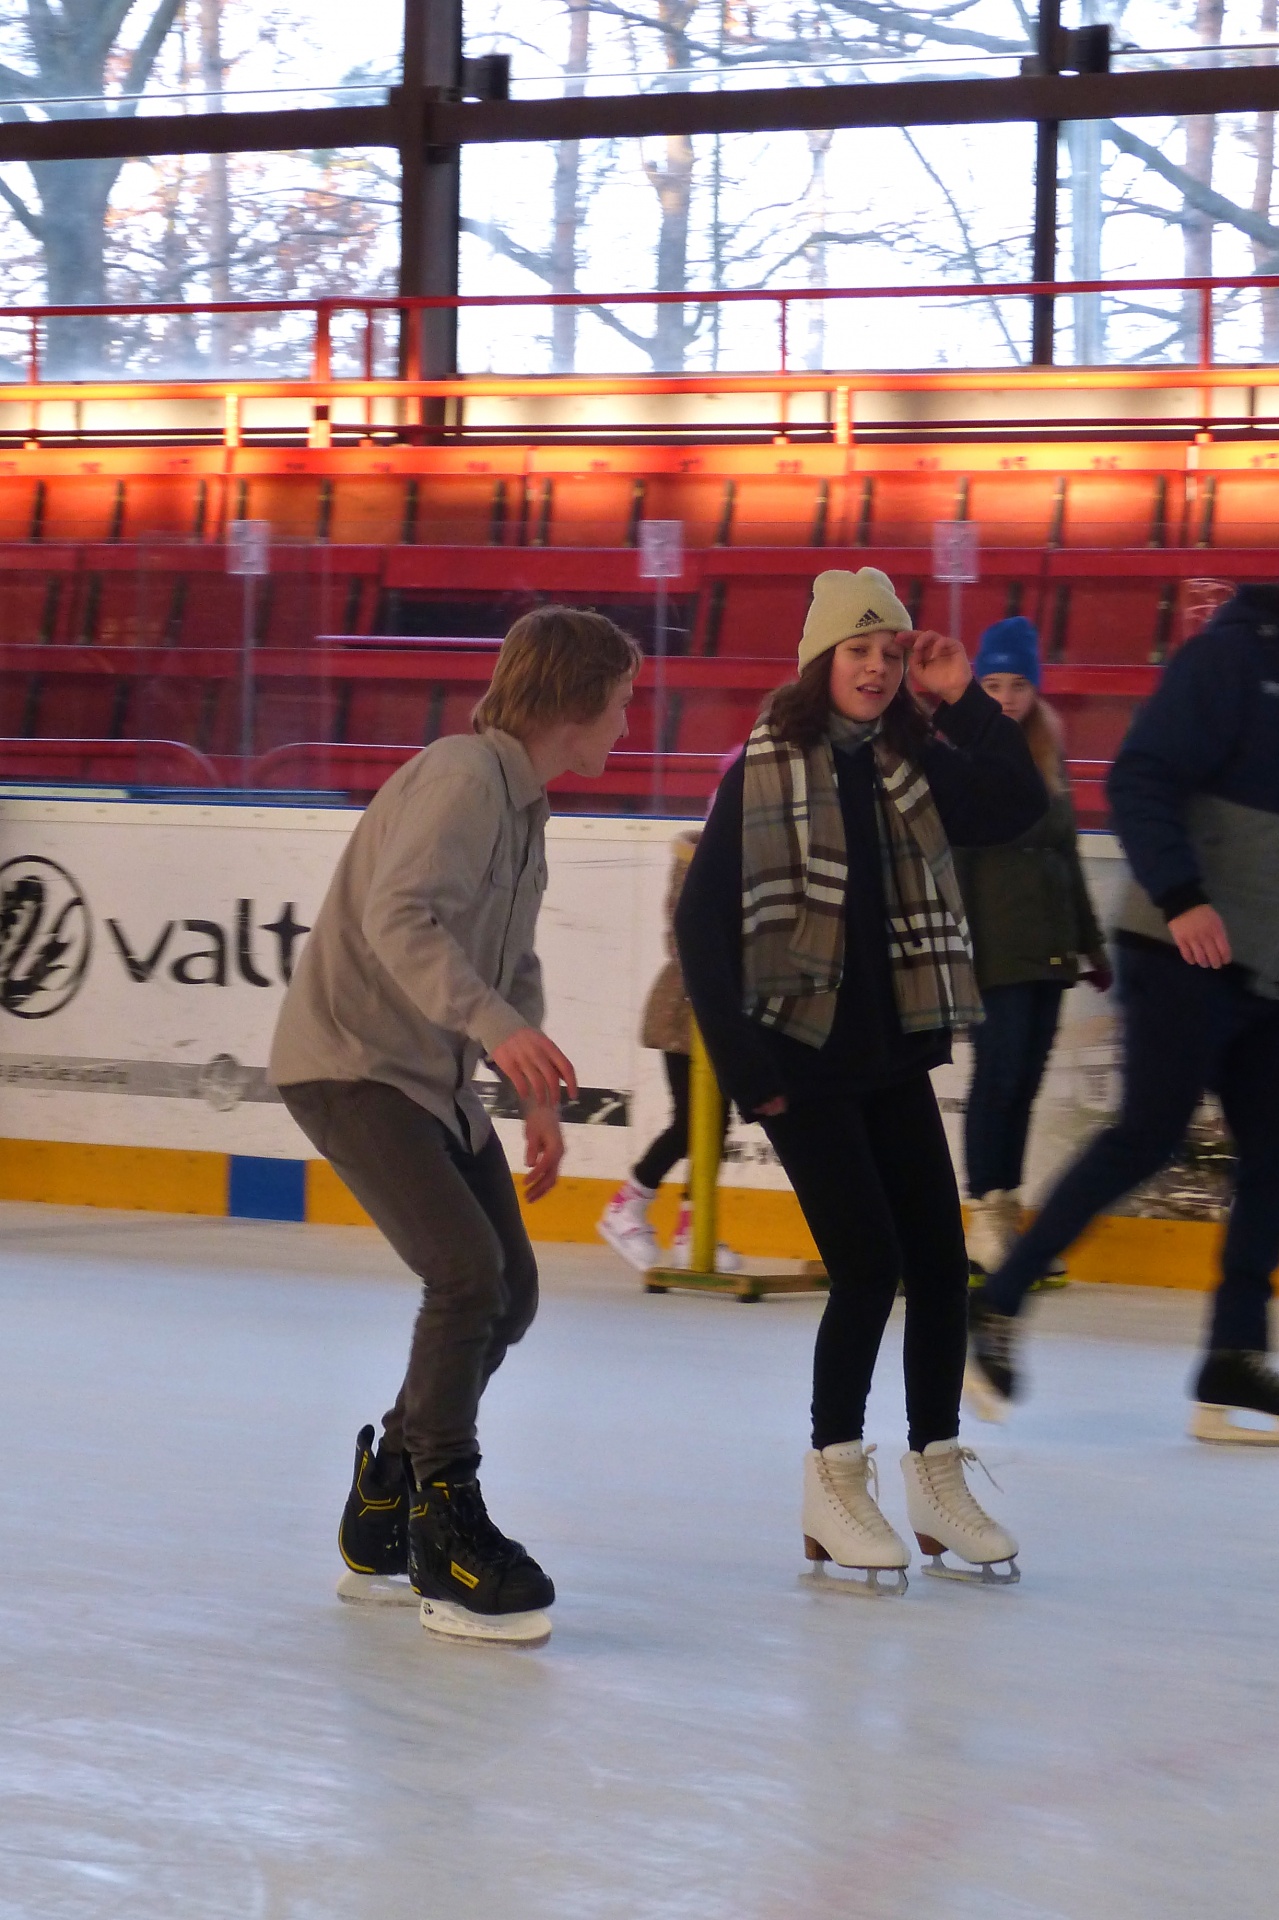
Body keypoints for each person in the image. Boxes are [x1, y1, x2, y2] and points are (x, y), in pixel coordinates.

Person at [270, 606, 641, 1644]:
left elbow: (510, 959)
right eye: (619, 702)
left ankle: (386, 1494)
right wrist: (494, 1027)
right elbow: (398, 915)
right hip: (352, 1064)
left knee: (509, 1292)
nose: (627, 723)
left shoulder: (522, 806)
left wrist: (531, 1089)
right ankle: (443, 1521)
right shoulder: (465, 776)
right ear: (572, 703)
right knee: (466, 1275)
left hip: (428, 1079)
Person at [676, 568, 1046, 1593]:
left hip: (888, 1056)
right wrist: (748, 1068)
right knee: (868, 1268)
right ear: (819, 662)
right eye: (859, 651)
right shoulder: (762, 768)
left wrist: (960, 694)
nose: (878, 668)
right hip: (798, 1060)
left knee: (938, 1267)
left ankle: (935, 1475)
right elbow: (701, 927)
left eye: (890, 652)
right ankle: (832, 1482)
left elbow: (1013, 804)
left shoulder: (905, 760)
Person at [967, 584, 1279, 1445]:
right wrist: (1179, 896)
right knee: (1147, 1135)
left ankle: (1232, 1358)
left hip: (1265, 963)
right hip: (1181, 945)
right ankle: (997, 1303)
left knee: (1272, 1158)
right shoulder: (1229, 659)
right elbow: (1139, 776)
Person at [954, 616, 1111, 1280]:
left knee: (1022, 1084)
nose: (1006, 698)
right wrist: (957, 954)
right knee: (996, 1079)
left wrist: (1090, 946)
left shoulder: (1049, 753)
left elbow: (1065, 856)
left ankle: (1006, 1214)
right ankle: (982, 1219)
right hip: (994, 950)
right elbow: (955, 865)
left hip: (1048, 949)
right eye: (992, 684)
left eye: (1017, 684)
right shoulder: (965, 756)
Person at [598, 827, 742, 1275]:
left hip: (714, 1007)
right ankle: (627, 1205)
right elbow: (689, 937)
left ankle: (690, 1227)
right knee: (694, 1120)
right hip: (686, 1009)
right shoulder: (699, 861)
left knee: (713, 1124)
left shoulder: (737, 858)